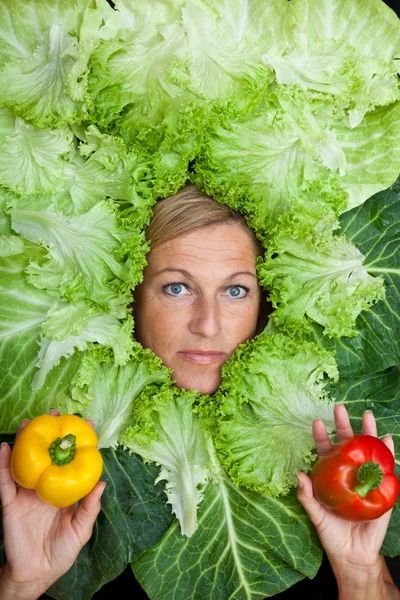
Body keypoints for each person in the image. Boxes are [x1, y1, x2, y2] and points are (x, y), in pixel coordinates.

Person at [0, 184, 399, 600]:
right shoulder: (47, 462)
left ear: (265, 302)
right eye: (177, 287)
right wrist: (21, 585)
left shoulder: (337, 455)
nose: (207, 324)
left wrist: (360, 574)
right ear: (129, 297)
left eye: (235, 290)